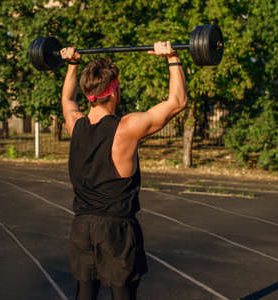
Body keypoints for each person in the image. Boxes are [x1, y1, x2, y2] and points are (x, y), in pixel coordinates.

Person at [60, 41, 187, 300]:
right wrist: (172, 57)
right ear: (114, 92)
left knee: (84, 292)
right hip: (116, 231)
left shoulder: (75, 125)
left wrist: (72, 65)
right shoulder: (126, 128)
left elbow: (67, 99)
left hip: (82, 227)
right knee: (123, 294)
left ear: (89, 95)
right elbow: (177, 102)